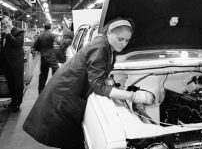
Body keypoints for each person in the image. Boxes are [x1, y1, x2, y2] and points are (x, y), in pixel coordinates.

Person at [23, 17, 155, 149]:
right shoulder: (100, 46)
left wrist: (108, 80)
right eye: (120, 39)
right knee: (69, 140)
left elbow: (99, 72)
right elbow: (98, 86)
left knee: (72, 140)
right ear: (109, 33)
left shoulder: (109, 47)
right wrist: (132, 96)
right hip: (64, 97)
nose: (123, 44)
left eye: (127, 40)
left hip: (71, 92)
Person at [0, 15, 24, 112]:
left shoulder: (19, 31)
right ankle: (13, 101)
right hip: (7, 63)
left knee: (17, 83)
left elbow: (18, 44)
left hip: (16, 63)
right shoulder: (3, 34)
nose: (5, 25)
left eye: (7, 22)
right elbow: (3, 48)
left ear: (11, 21)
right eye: (3, 24)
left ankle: (17, 103)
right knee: (10, 83)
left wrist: (9, 34)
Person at [33, 23, 60, 94]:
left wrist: (41, 50)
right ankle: (54, 90)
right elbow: (59, 42)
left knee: (43, 75)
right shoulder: (52, 35)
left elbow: (35, 46)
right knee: (56, 74)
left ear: (44, 27)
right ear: (50, 27)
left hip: (43, 57)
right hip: (51, 57)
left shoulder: (40, 35)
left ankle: (41, 92)